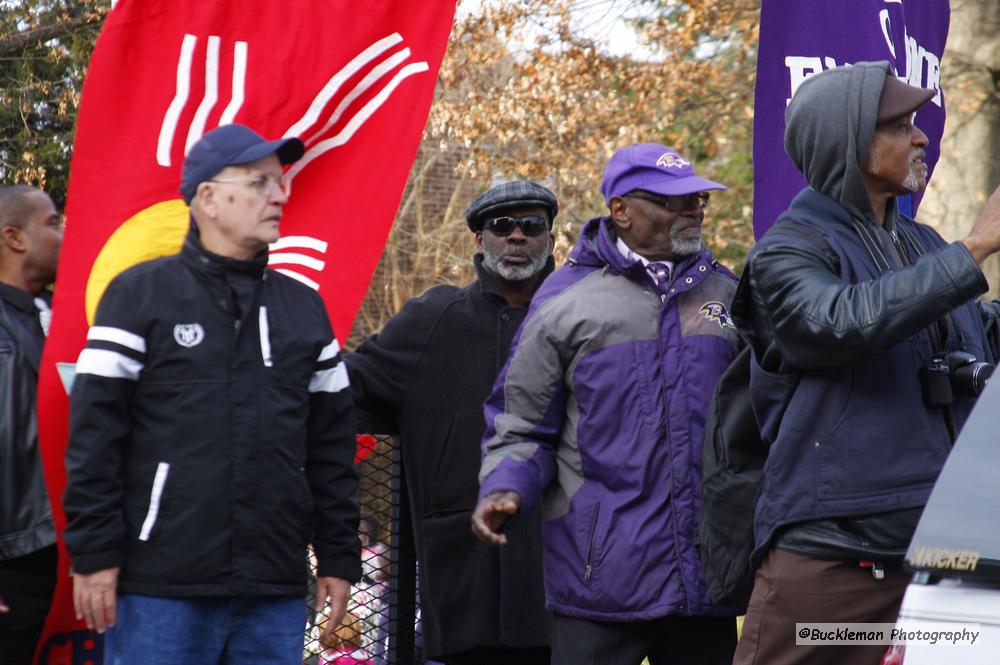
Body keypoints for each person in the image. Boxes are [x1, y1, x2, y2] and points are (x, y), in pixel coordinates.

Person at [730, 61, 1000, 665]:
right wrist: (978, 244)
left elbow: (975, 338)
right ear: (846, 140)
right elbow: (840, 322)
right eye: (900, 124)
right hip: (834, 567)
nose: (921, 135)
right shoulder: (786, 251)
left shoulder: (921, 243)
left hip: (943, 562)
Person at [62, 124, 362, 664]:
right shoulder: (138, 294)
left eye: (281, 182)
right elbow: (93, 438)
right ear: (207, 197)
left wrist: (339, 556)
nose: (280, 195)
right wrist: (94, 552)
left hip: (275, 587)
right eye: (259, 182)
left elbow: (332, 447)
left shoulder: (304, 308)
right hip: (159, 588)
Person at [473, 144, 741, 665]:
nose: (694, 212)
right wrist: (504, 486)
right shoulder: (564, 302)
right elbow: (522, 425)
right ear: (621, 211)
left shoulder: (729, 294)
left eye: (699, 200)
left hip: (707, 582)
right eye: (675, 201)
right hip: (599, 583)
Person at [344, 181, 557, 665]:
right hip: (465, 578)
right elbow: (349, 387)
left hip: (564, 575)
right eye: (502, 226)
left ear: (551, 239)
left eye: (532, 226)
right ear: (480, 240)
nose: (517, 236)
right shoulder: (433, 318)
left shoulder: (581, 313)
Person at [0, 185, 62, 664]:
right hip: (11, 562)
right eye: (53, 222)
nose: (64, 234)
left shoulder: (65, 321)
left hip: (63, 554)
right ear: (13, 238)